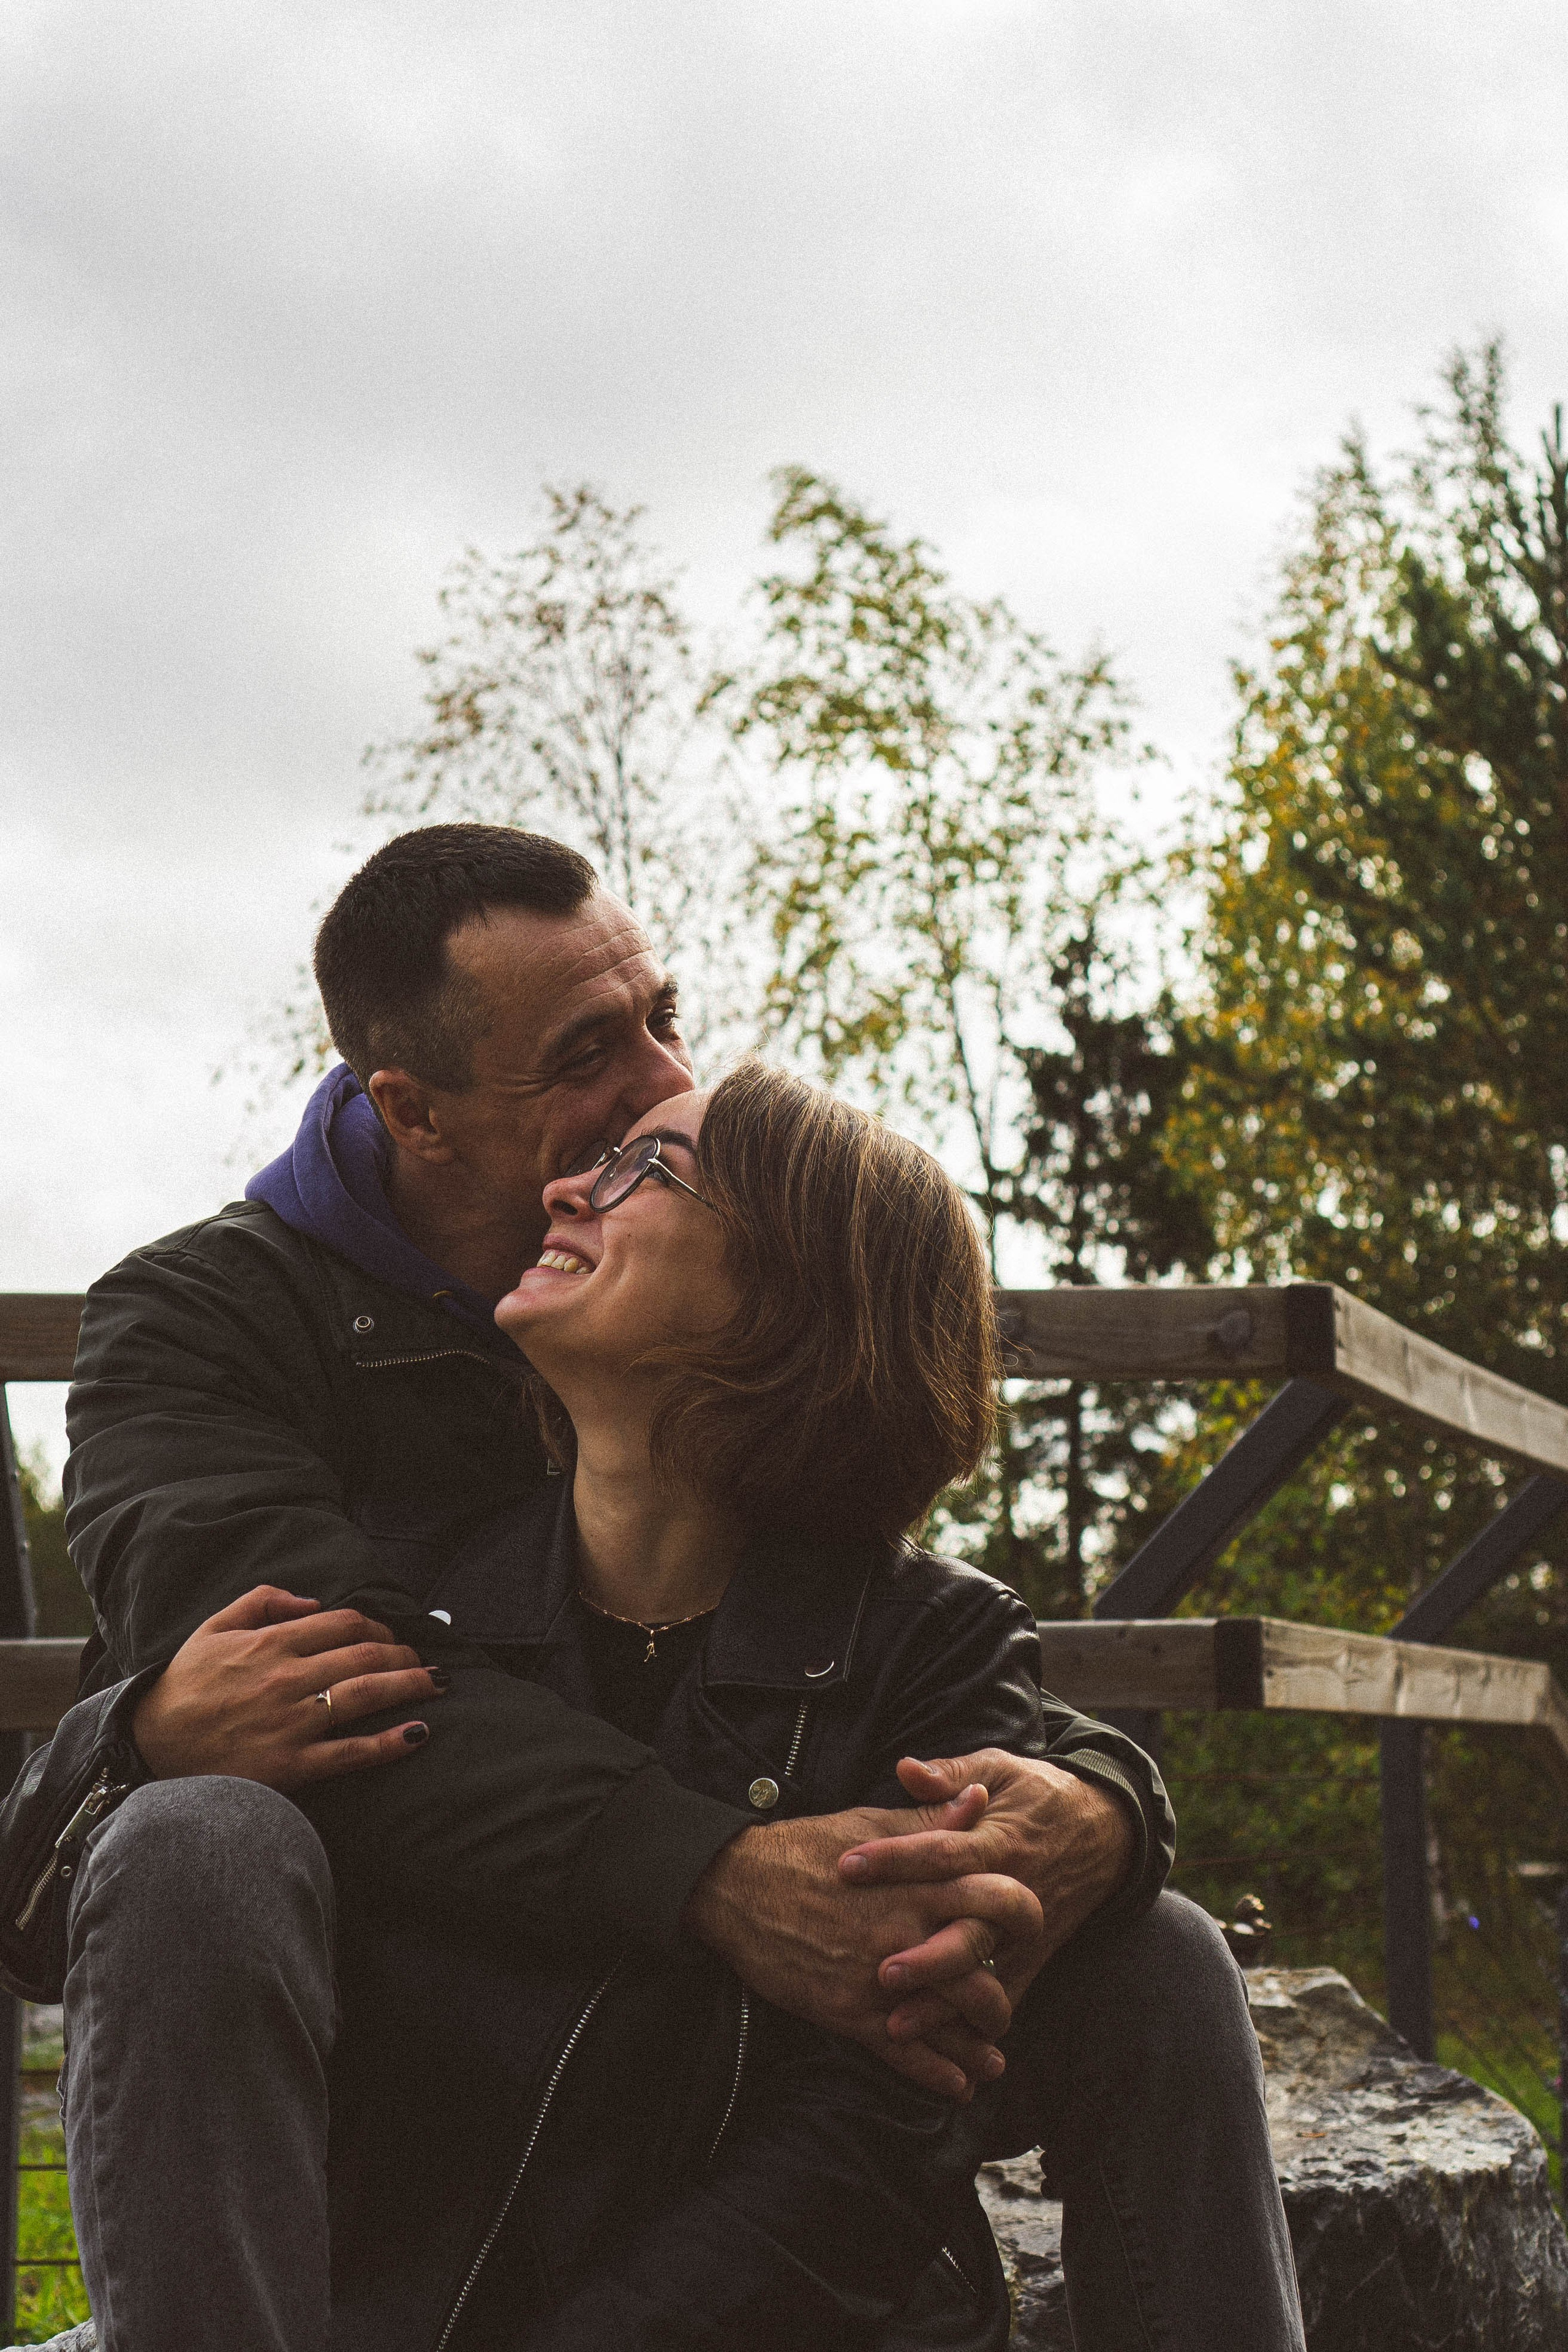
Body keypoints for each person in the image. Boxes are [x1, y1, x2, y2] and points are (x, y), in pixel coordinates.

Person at [0, 824, 1303, 2349]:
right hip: (403, 1989)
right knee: (197, 1835)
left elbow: (925, 1697)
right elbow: (326, 1694)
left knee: (1151, 1955)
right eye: (584, 1062)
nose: (659, 1080)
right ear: (410, 1108)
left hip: (689, 2115)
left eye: (660, 1018)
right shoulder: (216, 1326)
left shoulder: (872, 1601)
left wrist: (1097, 1805)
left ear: (772, 1319)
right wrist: (716, 1875)